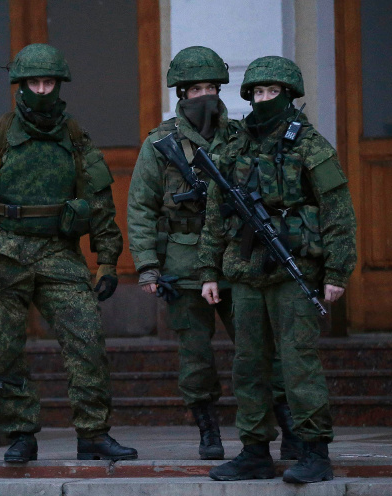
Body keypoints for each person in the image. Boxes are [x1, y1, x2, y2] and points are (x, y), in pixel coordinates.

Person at [0, 43, 137, 464]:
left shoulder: (75, 138)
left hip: (59, 254)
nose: (43, 90)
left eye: (50, 83)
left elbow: (100, 201)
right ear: (21, 86)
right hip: (5, 256)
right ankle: (20, 433)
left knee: (87, 340)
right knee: (4, 348)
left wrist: (106, 259)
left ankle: (93, 433)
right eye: (35, 82)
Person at [127, 46, 299, 461]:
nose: (203, 96)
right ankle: (208, 429)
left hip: (238, 257)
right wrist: (148, 266)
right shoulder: (161, 143)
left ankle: (285, 425)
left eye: (210, 88)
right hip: (184, 263)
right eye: (195, 89)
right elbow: (141, 207)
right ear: (181, 94)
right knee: (196, 354)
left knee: (258, 347)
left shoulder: (241, 135)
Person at [198, 56, 357, 483]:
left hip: (294, 273)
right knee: (248, 365)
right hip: (245, 273)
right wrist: (208, 271)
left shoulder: (310, 144)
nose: (264, 99)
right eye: (258, 93)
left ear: (289, 96)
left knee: (298, 364)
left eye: (273, 92)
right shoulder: (233, 146)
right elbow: (215, 211)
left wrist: (337, 273)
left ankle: (315, 451)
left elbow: (337, 213)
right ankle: (254, 451)